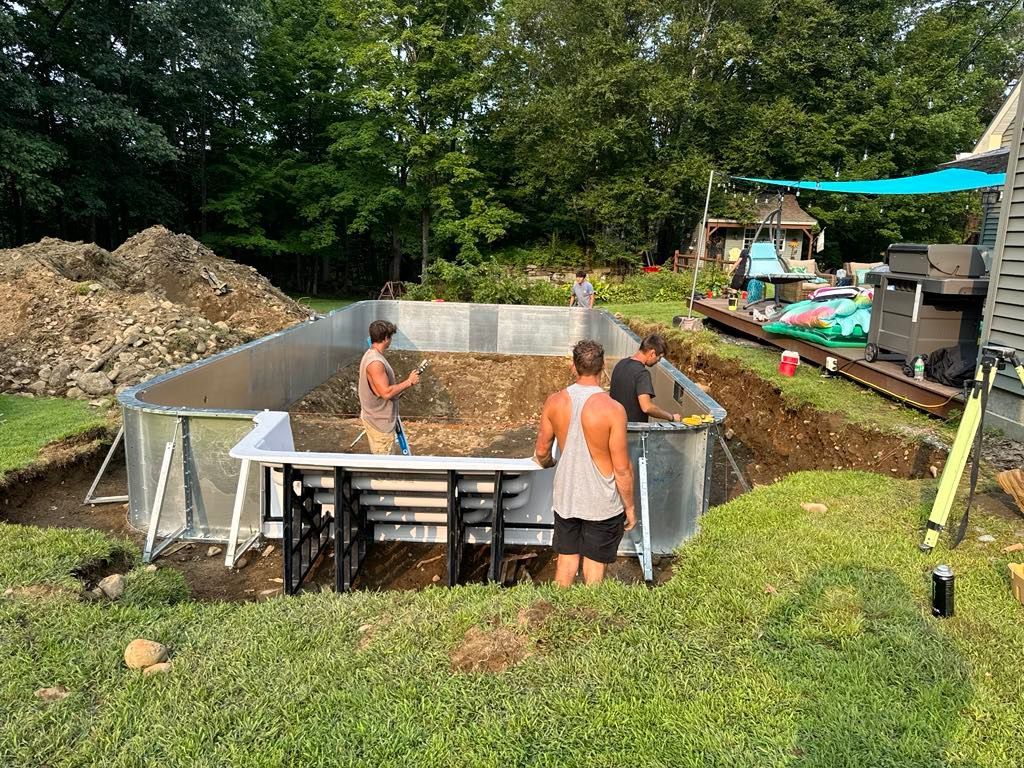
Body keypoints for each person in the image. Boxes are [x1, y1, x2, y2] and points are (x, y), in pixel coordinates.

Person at [533, 339, 635, 587]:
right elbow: (622, 468)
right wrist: (630, 508)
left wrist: (550, 463)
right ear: (602, 369)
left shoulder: (554, 402)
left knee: (566, 562)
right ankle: (589, 619)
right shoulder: (613, 409)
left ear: (573, 366)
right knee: (594, 566)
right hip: (601, 502)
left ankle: (557, 616)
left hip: (567, 497)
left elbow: (541, 451)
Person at [358, 320, 420, 455]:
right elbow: (386, 393)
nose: (391, 340)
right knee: (383, 464)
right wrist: (409, 382)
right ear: (386, 338)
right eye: (390, 337)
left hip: (378, 419)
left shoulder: (372, 355)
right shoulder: (375, 362)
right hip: (379, 423)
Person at [608, 333, 682, 424]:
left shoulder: (621, 363)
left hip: (614, 425)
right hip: (632, 431)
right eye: (659, 357)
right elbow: (647, 407)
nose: (658, 361)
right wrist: (671, 417)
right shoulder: (642, 374)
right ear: (652, 353)